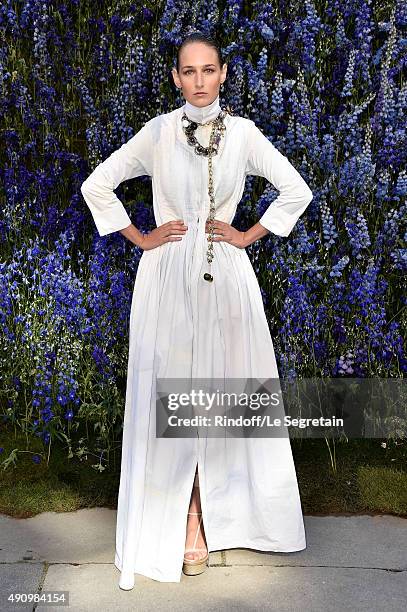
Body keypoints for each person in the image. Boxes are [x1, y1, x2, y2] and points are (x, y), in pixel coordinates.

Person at [80, 32, 313, 591]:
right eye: (189, 71)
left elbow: (294, 190)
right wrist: (140, 237)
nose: (200, 80)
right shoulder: (159, 132)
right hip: (167, 279)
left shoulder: (245, 135)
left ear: (224, 73)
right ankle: (185, 519)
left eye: (209, 69)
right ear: (176, 77)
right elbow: (98, 184)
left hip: (226, 280)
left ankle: (212, 513)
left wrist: (245, 234)